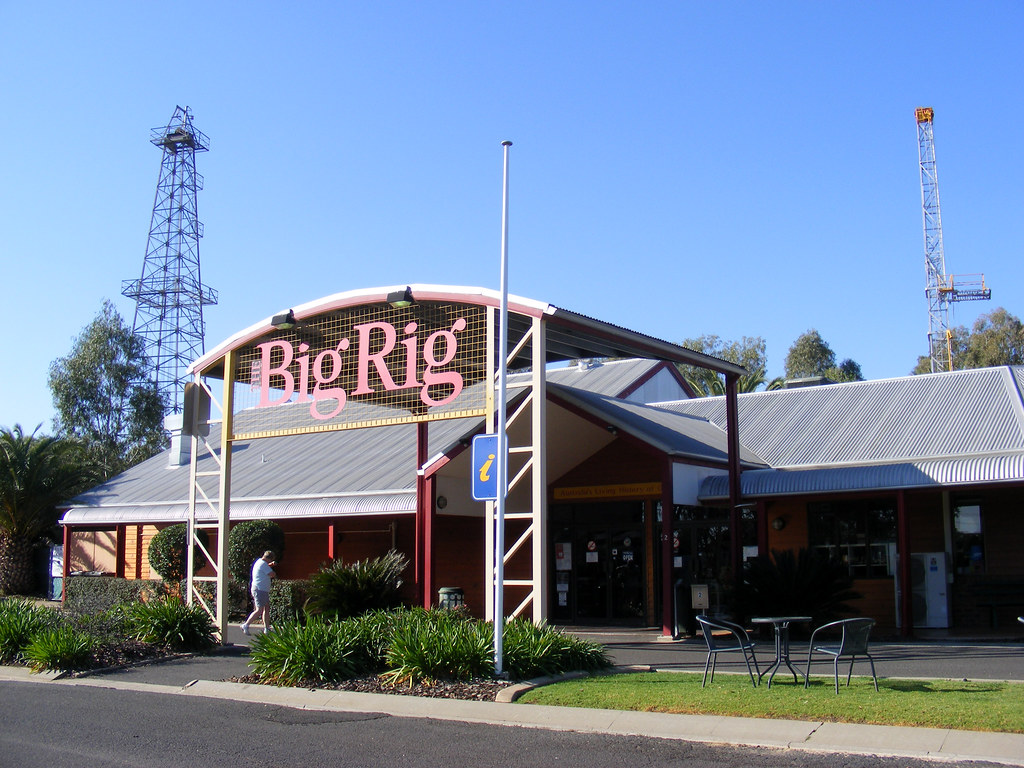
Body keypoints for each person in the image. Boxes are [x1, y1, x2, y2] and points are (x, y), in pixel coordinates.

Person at [241, 551, 276, 635]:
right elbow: (272, 574)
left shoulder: (259, 562)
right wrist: (272, 568)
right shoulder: (263, 564)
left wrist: (270, 565)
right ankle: (246, 625)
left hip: (262, 590)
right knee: (259, 610)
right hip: (260, 590)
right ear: (269, 558)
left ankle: (266, 628)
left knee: (266, 608)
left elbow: (264, 569)